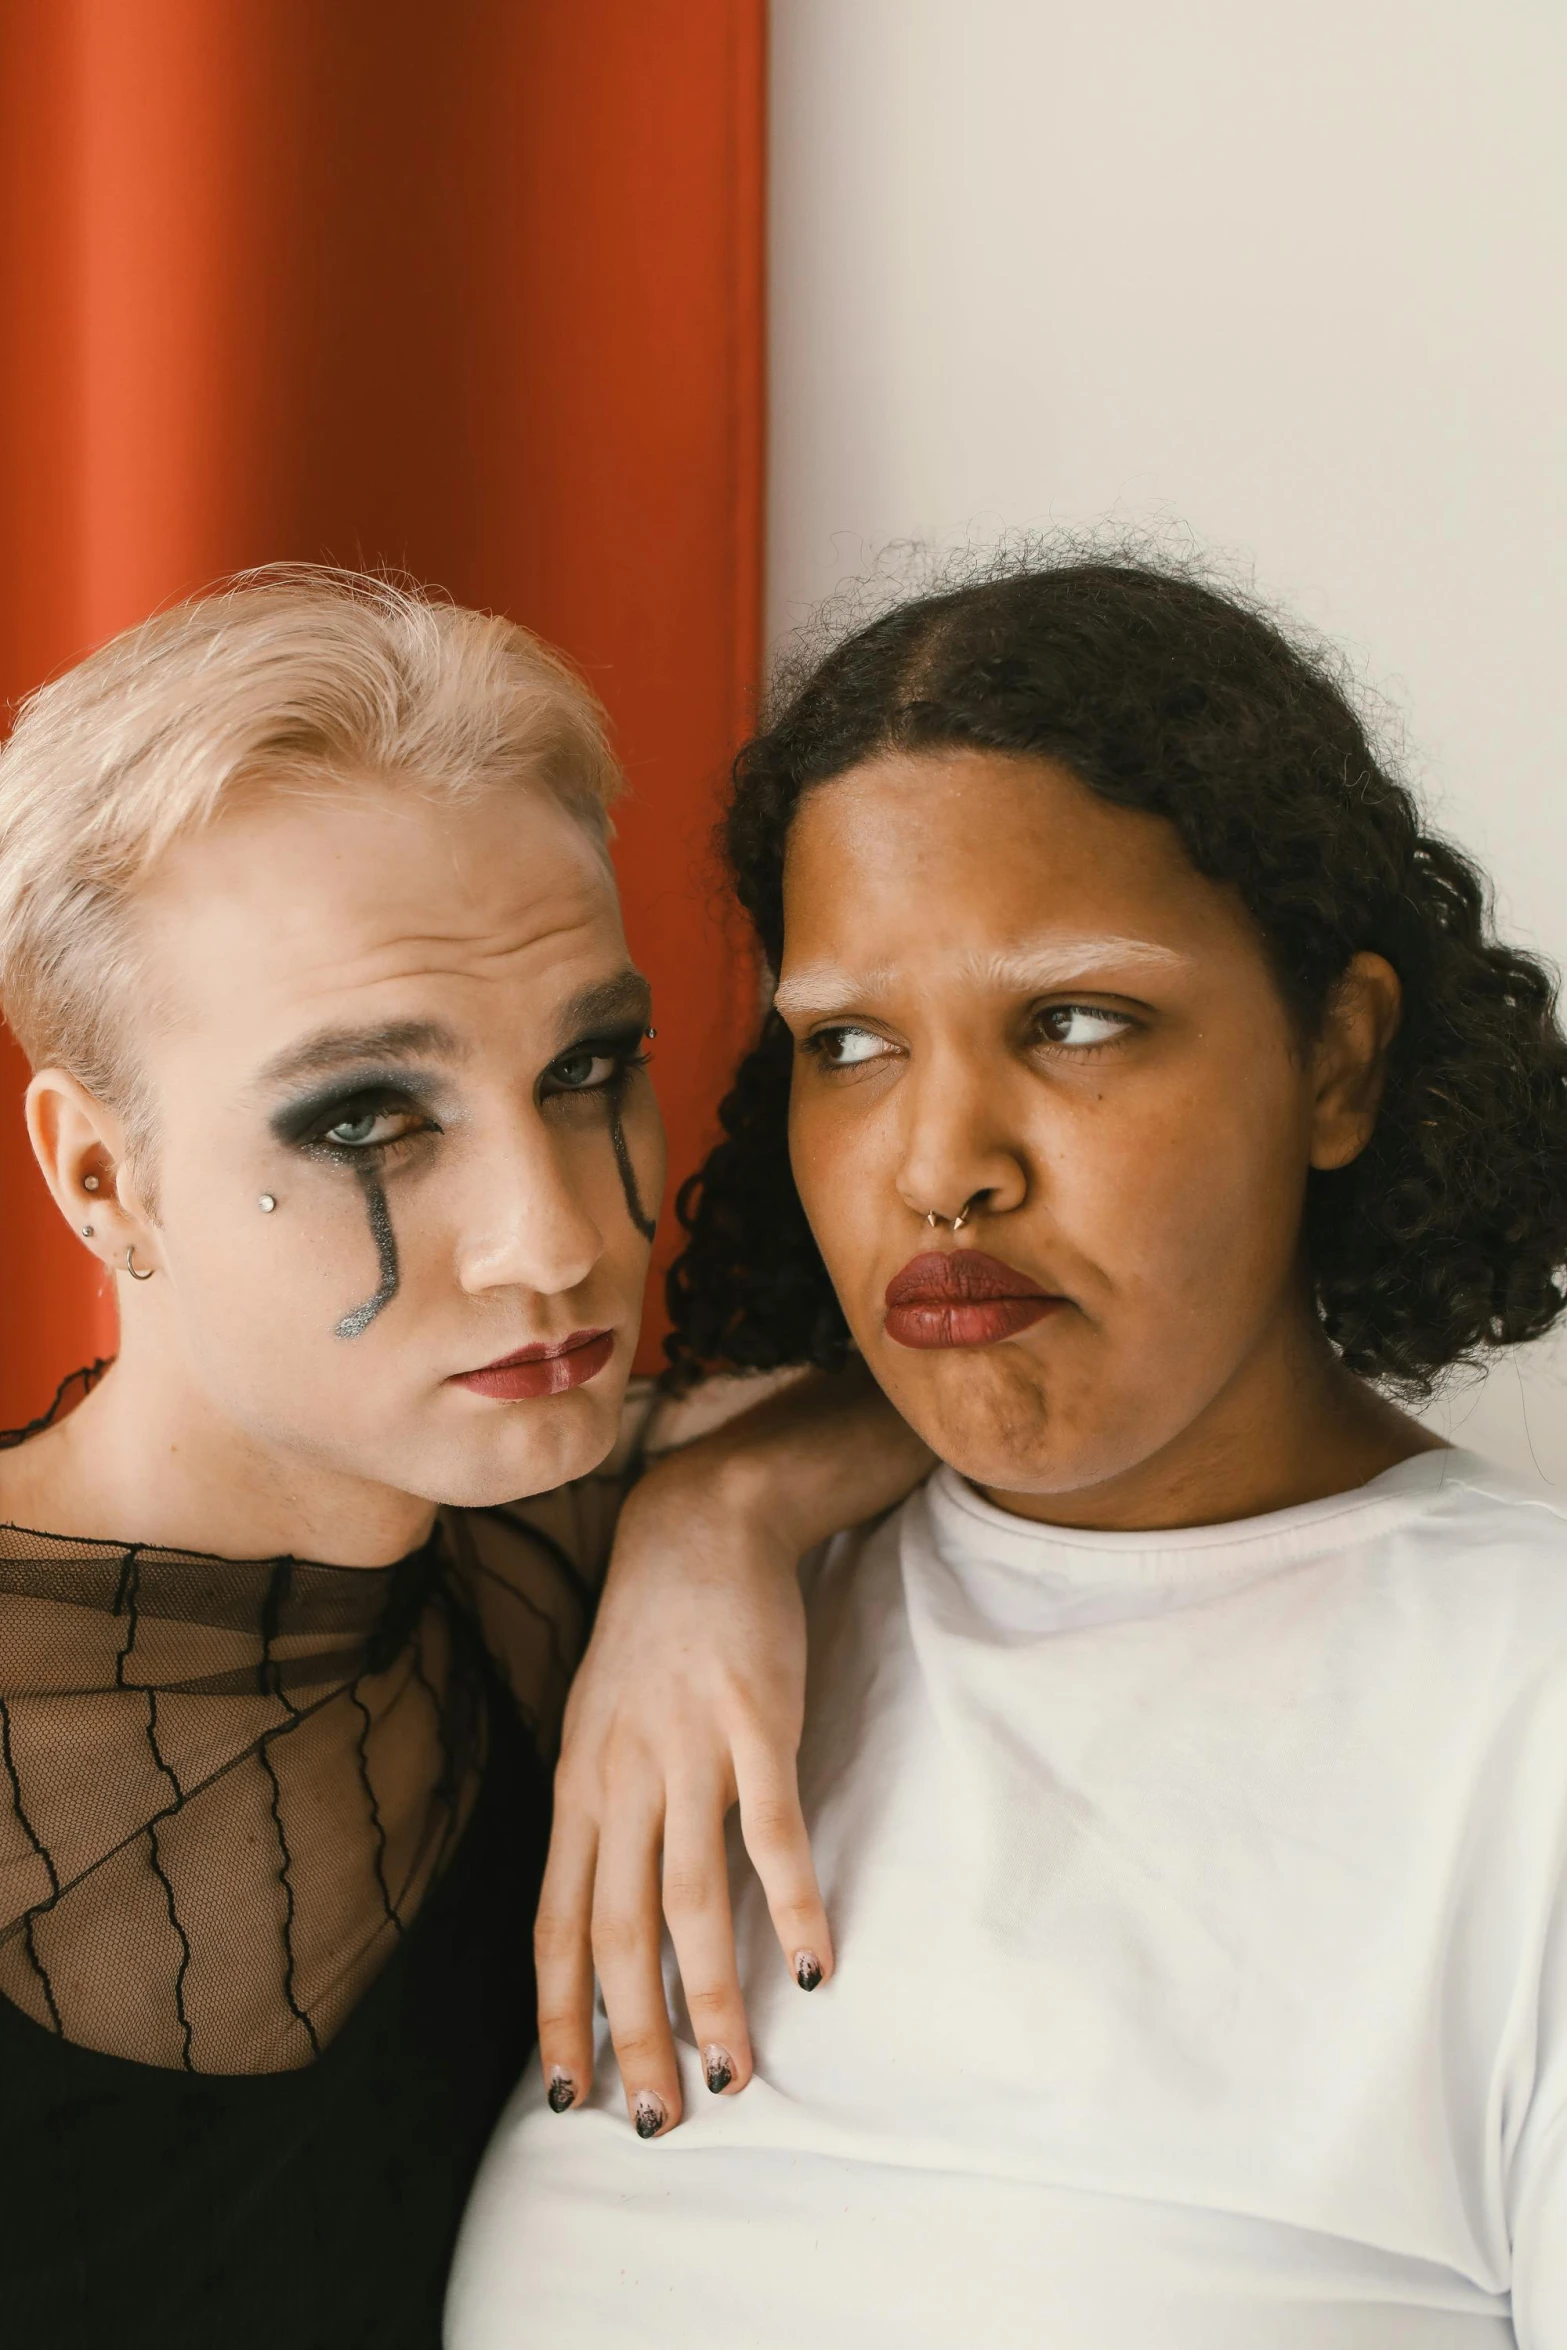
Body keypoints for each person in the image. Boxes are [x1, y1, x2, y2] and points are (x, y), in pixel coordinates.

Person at [450, 555, 1567, 2348]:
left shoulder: (1523, 1710)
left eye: (1071, 1020)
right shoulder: (609, 1597)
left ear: (1338, 1061)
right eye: (853, 1043)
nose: (939, 1161)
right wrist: (703, 1508)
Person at [0, 567, 926, 2350]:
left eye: (589, 1067)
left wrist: (717, 1511)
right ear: (100, 1177)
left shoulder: (554, 1534)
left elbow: (1038, 1359)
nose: (557, 1235)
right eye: (369, 1116)